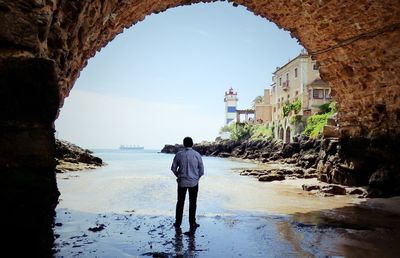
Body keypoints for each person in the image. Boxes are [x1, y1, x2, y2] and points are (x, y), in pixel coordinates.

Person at [171, 136, 204, 230]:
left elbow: (173, 168)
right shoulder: (197, 154)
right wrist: (197, 178)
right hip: (194, 182)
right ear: (192, 144)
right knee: (193, 203)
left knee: (180, 202)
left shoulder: (179, 154)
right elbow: (201, 170)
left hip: (182, 182)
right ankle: (192, 223)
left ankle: (178, 223)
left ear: (184, 144)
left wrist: (178, 176)